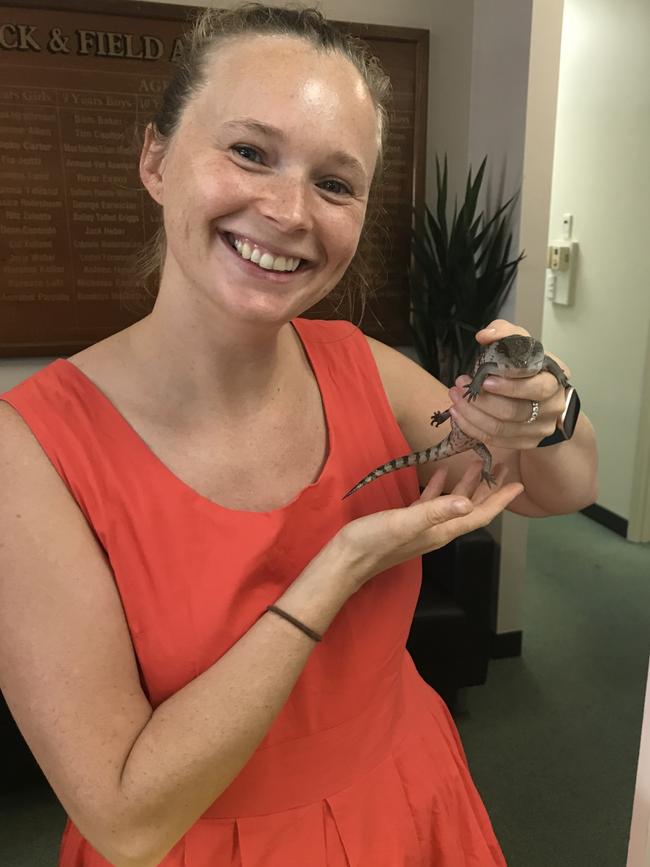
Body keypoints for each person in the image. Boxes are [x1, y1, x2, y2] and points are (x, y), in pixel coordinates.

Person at [0, 5, 597, 866]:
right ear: (157, 158)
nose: (288, 210)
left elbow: (559, 488)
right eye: (249, 152)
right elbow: (125, 819)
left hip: (408, 798)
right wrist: (341, 566)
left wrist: (552, 412)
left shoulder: (361, 364)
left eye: (335, 182)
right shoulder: (33, 453)